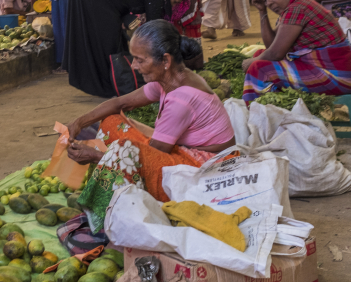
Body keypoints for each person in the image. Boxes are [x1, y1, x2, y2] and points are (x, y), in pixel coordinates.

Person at [65, 20, 235, 230]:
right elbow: (121, 103)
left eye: (140, 60)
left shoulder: (181, 99)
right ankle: (107, 186)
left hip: (204, 169)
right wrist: (79, 122)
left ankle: (107, 216)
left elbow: (145, 159)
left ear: (165, 60)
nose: (134, 66)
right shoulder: (170, 79)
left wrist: (96, 157)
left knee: (125, 151)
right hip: (185, 151)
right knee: (111, 122)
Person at [65, 0, 199, 97]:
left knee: (101, 35)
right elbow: (154, 32)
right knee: (107, 39)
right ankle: (106, 84)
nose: (173, 5)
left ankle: (107, 81)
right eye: (175, 1)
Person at [243, 0, 351, 102]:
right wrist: (262, 11)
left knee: (259, 68)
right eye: (264, 0)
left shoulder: (297, 8)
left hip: (337, 77)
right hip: (326, 70)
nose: (269, 3)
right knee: (260, 54)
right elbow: (271, 45)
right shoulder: (294, 5)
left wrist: (252, 62)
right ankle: (273, 107)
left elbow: (275, 54)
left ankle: (257, 115)